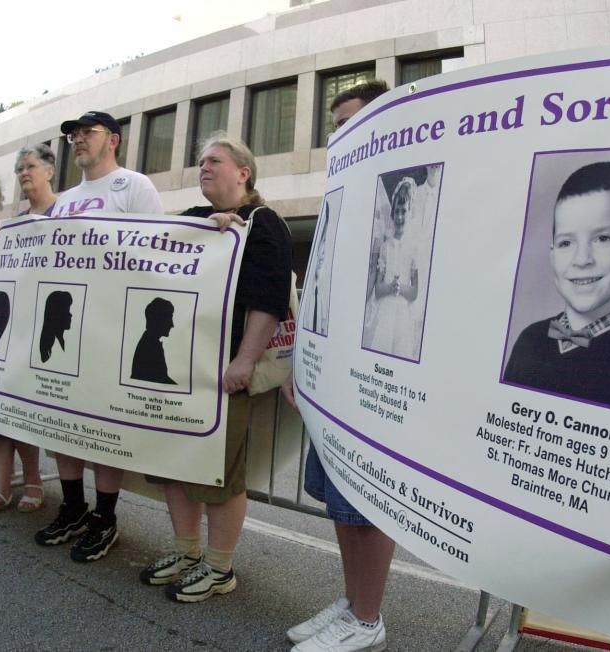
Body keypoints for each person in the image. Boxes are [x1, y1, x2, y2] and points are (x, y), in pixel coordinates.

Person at [138, 134, 292, 604]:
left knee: (219, 473)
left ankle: (220, 567)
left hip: (222, 371)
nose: (204, 167)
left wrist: (244, 360)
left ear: (244, 172)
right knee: (172, 461)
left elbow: (268, 300)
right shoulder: (193, 221)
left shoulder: (264, 225)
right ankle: (187, 553)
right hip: (181, 368)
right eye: (200, 161)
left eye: (215, 161)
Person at [284, 80, 394, 652]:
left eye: (350, 124)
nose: (339, 139)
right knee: (339, 497)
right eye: (336, 130)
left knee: (367, 500)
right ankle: (354, 605)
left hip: (373, 377)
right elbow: (321, 291)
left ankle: (369, 617)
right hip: (331, 376)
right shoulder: (339, 198)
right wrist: (300, 363)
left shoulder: (396, 197)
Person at [34, 110, 163, 562]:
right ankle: (73, 506)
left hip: (112, 329)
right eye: (72, 134)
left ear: (114, 139)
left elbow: (156, 252)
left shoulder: (134, 186)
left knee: (104, 425)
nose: (77, 140)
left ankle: (105, 517)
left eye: (87, 133)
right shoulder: (65, 199)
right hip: (68, 329)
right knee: (63, 421)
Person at [502, 161, 610, 413]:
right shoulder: (529, 340)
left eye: (603, 238)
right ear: (552, 255)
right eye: (566, 243)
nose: (582, 259)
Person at [0, 144, 58, 518]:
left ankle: (34, 479)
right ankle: (2, 486)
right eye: (20, 167)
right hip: (7, 327)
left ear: (50, 171)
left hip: (41, 329)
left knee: (27, 408)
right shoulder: (15, 222)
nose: (24, 172)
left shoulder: (67, 213)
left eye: (31, 166)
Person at [366, 177, 421, 360]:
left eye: (403, 211)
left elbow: (414, 292)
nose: (399, 217)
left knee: (401, 354)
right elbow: (378, 290)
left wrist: (401, 288)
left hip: (403, 314)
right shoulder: (385, 247)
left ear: (410, 212)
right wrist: (390, 287)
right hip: (385, 313)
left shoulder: (414, 249)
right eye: (396, 211)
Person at [131, 297, 176, 384]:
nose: (172, 324)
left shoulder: (150, 342)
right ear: (159, 319)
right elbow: (158, 380)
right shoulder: (150, 346)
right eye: (169, 317)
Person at [301, 203, 330, 335]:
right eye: (322, 242)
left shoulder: (323, 295)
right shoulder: (310, 296)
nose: (322, 254)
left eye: (325, 242)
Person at [39, 290, 73, 363]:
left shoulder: (61, 342)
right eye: (67, 310)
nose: (70, 315)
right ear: (57, 314)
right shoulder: (50, 348)